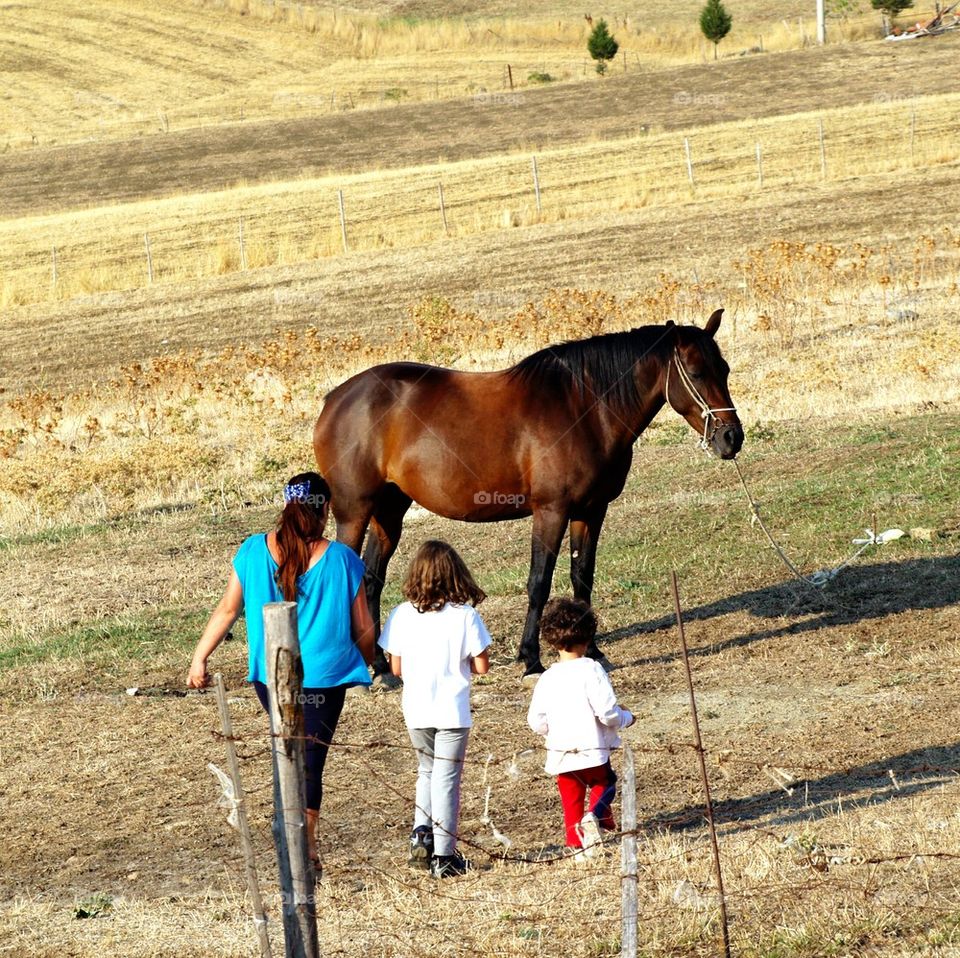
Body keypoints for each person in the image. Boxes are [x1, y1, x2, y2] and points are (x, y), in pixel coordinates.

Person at [187, 472, 375, 872]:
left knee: (285, 750)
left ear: (287, 505)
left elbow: (227, 609)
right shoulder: (342, 559)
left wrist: (199, 657)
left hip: (269, 674)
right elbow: (363, 628)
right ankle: (304, 850)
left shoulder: (254, 551)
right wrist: (374, 659)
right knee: (309, 758)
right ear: (325, 509)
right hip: (325, 678)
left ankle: (288, 838)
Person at [378, 540, 491, 878]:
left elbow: (395, 669)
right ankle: (444, 855)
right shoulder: (466, 616)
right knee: (447, 779)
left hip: (416, 709)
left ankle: (421, 834)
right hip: (452, 711)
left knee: (426, 772)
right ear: (456, 574)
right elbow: (482, 666)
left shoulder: (400, 614)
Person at [526, 597, 634, 859]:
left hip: (561, 751)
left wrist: (549, 732)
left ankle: (577, 846)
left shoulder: (547, 677)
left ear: (551, 641)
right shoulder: (592, 670)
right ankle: (596, 817)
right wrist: (626, 718)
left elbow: (535, 721)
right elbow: (607, 713)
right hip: (592, 748)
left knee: (571, 798)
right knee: (605, 782)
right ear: (588, 638)